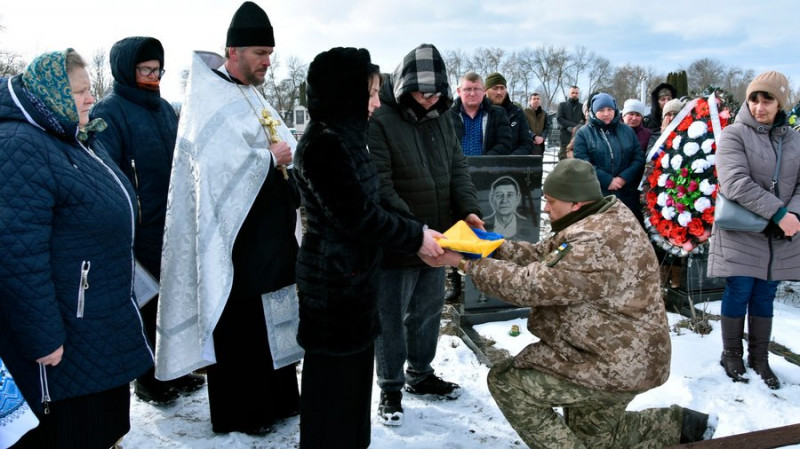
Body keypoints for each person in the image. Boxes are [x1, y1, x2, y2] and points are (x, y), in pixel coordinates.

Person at [420, 159, 714, 448]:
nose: (545, 207)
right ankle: (683, 425)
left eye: (550, 201)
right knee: (596, 440)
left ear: (575, 203)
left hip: (612, 361)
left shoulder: (596, 240)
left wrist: (464, 264)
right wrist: (486, 246)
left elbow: (531, 285)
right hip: (612, 351)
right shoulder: (597, 218)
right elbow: (542, 258)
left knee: (509, 383)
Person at [155, 1, 301, 436]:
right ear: (234, 51)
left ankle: (278, 398)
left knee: (272, 319)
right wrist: (267, 157)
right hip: (233, 243)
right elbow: (214, 168)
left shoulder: (251, 93)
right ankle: (244, 412)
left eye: (271, 53)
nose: (268, 62)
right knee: (242, 326)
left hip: (269, 239)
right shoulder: (208, 96)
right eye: (260, 53)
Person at [0, 49, 153, 448]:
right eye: (79, 91)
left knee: (104, 426)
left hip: (98, 317)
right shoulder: (20, 145)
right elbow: (17, 254)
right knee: (77, 431)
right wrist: (43, 337)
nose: (90, 98)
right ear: (50, 93)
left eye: (89, 89)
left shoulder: (76, 137)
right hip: (65, 335)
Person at [294, 47, 444, 449]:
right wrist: (416, 239)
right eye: (371, 93)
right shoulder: (324, 145)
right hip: (332, 287)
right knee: (334, 392)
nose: (378, 102)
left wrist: (421, 229)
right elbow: (359, 216)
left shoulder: (347, 138)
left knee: (354, 390)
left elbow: (377, 202)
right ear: (345, 94)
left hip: (355, 282)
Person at [368, 43, 483, 427]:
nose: (430, 100)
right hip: (400, 240)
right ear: (404, 87)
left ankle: (420, 374)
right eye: (423, 93)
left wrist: (469, 210)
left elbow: (457, 168)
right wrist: (416, 234)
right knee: (390, 316)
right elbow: (382, 186)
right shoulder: (381, 121)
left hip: (441, 237)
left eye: (436, 93)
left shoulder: (441, 116)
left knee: (427, 312)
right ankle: (390, 388)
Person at [90, 36, 204, 405]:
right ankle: (148, 380)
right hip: (140, 227)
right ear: (127, 69)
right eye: (145, 69)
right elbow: (108, 172)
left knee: (175, 300)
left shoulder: (164, 110)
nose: (153, 76)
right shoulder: (109, 111)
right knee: (147, 304)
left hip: (172, 222)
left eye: (157, 69)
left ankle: (176, 369)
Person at [708, 71, 800, 390]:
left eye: (768, 99)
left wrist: (794, 215)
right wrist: (778, 213)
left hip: (780, 233)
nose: (760, 106)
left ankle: (760, 358)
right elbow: (734, 182)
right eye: (754, 99)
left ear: (780, 103)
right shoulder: (734, 134)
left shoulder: (794, 139)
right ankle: (731, 354)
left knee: (765, 294)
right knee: (740, 289)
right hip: (742, 229)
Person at [573, 93, 645, 223]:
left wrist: (623, 178)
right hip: (597, 195)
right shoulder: (584, 133)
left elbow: (638, 157)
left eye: (610, 109)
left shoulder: (627, 131)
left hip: (626, 194)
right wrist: (607, 180)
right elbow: (582, 162)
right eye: (601, 110)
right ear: (593, 111)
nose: (606, 113)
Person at [448, 71, 512, 156]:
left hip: (487, 167)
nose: (472, 93)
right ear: (459, 91)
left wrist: (484, 162)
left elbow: (505, 143)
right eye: (467, 89)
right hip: (456, 168)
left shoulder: (498, 114)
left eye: (477, 89)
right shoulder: (447, 115)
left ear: (484, 91)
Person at [485, 72, 534, 155]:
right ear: (485, 91)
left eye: (502, 88)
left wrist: (512, 159)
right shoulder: (479, 112)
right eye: (495, 88)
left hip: (511, 164)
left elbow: (526, 143)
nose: (499, 92)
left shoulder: (516, 112)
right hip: (484, 164)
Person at [484, 176, 535, 241]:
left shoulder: (529, 226)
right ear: (491, 199)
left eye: (510, 195)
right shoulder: (481, 226)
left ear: (518, 198)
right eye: (499, 195)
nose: (504, 200)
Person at [556, 85, 584, 160]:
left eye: (576, 93)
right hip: (565, 139)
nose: (574, 94)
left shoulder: (582, 107)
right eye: (572, 93)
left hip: (578, 139)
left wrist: (577, 128)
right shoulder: (562, 105)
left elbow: (584, 120)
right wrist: (573, 127)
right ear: (569, 93)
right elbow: (559, 119)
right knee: (563, 163)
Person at [524, 92, 551, 156]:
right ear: (530, 101)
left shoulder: (544, 113)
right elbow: (524, 127)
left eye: (538, 99)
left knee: (539, 163)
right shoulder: (524, 112)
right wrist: (534, 136)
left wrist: (542, 137)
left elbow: (547, 127)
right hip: (528, 144)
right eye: (534, 99)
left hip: (540, 145)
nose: (536, 100)